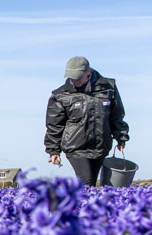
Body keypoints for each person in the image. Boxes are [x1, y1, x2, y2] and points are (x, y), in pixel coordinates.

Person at [44, 56, 129, 187]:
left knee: (92, 183)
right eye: (72, 77)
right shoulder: (60, 95)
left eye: (78, 77)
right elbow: (54, 125)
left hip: (100, 145)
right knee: (86, 182)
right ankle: (82, 206)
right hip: (75, 146)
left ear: (88, 72)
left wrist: (120, 136)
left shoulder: (108, 88)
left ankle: (85, 207)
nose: (74, 80)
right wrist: (53, 150)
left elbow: (116, 115)